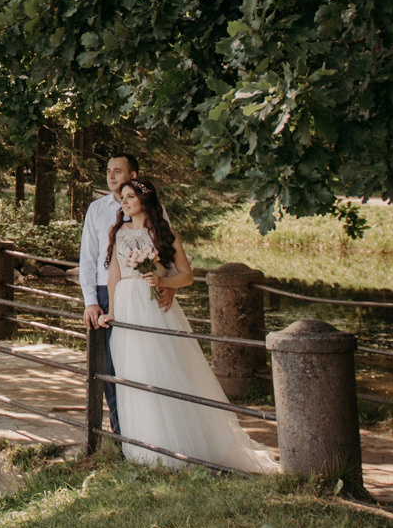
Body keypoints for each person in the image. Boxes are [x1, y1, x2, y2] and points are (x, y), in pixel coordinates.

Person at [91, 176, 274, 474]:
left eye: (130, 197)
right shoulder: (118, 231)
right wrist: (111, 309)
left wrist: (162, 281)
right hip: (125, 308)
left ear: (144, 201)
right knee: (132, 373)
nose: (124, 202)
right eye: (122, 197)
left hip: (153, 308)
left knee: (159, 371)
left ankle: (175, 448)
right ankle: (141, 450)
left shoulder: (164, 234)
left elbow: (186, 276)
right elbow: (114, 273)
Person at [76, 154, 138, 436]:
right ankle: (120, 434)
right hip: (103, 293)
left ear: (133, 176)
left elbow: (164, 248)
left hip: (140, 292)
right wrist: (90, 301)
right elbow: (88, 258)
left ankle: (146, 432)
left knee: (140, 361)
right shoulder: (97, 209)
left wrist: (167, 287)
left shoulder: (151, 208)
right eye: (108, 171)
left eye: (118, 171)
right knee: (108, 366)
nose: (111, 176)